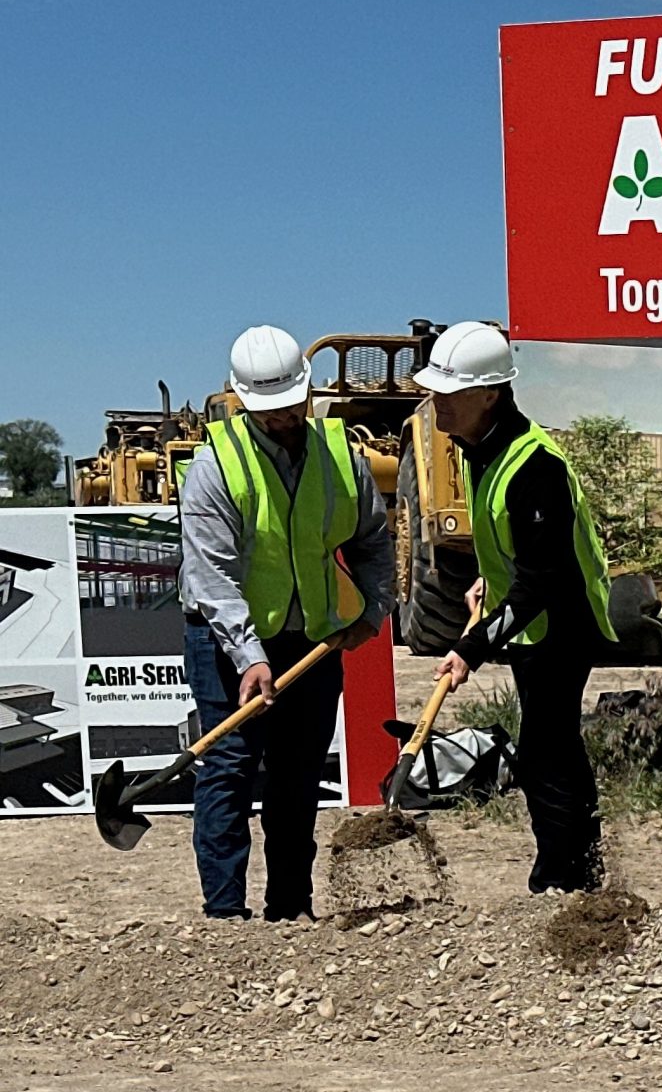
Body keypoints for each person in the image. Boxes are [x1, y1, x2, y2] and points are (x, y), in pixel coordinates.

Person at [177, 324, 394, 921]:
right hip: (224, 644)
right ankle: (225, 916)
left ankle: (291, 908)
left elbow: (374, 539)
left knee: (298, 777)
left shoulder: (341, 458)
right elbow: (211, 577)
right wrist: (251, 657)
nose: (284, 418)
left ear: (307, 393)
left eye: (292, 405)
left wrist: (373, 608)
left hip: (311, 641)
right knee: (230, 767)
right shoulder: (214, 468)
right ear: (243, 401)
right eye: (269, 410)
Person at [423, 321, 617, 893]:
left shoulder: (535, 466)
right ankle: (573, 870)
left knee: (545, 750)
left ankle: (567, 877)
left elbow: (545, 578)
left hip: (561, 622)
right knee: (546, 747)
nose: (437, 404)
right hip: (530, 620)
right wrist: (488, 579)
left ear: (490, 395)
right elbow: (513, 547)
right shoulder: (478, 449)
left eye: (449, 393)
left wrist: (470, 647)